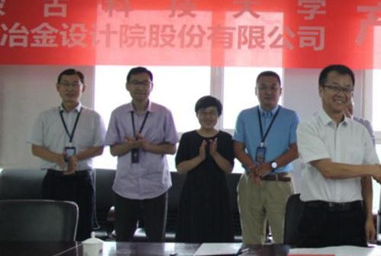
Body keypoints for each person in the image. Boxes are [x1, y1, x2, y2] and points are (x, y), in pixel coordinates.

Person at [295, 64, 381, 247]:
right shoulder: (308, 127)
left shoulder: (360, 131)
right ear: (321, 90)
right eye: (334, 87)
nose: (341, 94)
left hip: (353, 216)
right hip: (317, 217)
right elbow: (328, 170)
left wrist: (369, 217)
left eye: (347, 89)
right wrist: (373, 169)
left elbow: (366, 178)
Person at [28, 68, 106, 241]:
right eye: (65, 84)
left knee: (82, 230)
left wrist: (76, 158)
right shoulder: (46, 116)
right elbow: (36, 148)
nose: (70, 89)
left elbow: (99, 148)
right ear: (58, 87)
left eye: (75, 84)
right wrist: (57, 158)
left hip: (81, 180)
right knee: (50, 229)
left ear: (83, 88)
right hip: (54, 179)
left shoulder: (93, 117)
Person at [106, 67, 178, 242]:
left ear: (151, 86)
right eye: (135, 83)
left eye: (145, 83)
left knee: (156, 241)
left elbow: (171, 148)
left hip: (155, 186)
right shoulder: (118, 114)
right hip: (125, 186)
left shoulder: (164, 113)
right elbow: (113, 150)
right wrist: (130, 146)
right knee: (122, 241)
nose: (140, 87)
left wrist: (147, 146)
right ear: (127, 86)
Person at [233, 71, 300, 245]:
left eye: (273, 88)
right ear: (256, 91)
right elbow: (238, 148)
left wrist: (272, 165)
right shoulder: (244, 116)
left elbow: (296, 150)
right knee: (251, 240)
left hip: (279, 183)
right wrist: (253, 168)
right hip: (251, 182)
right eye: (263, 87)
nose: (268, 92)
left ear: (280, 91)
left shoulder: (290, 116)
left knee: (284, 238)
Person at [175, 96, 234, 242]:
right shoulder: (187, 138)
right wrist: (200, 158)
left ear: (218, 116)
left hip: (218, 195)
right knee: (191, 238)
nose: (208, 117)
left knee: (218, 238)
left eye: (212, 113)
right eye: (203, 113)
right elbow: (180, 168)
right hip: (192, 195)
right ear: (197, 115)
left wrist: (214, 154)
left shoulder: (225, 138)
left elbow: (228, 168)